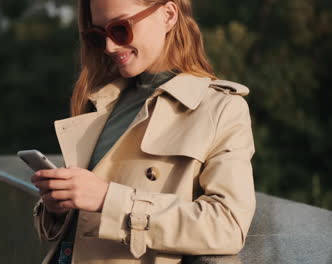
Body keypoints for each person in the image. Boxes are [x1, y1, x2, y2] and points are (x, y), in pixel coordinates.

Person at [30, 0, 256, 263]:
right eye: (97, 35)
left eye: (120, 29)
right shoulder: (102, 101)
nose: (109, 46)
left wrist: (107, 198)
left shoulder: (221, 109)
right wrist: (59, 206)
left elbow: (227, 226)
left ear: (168, 15)